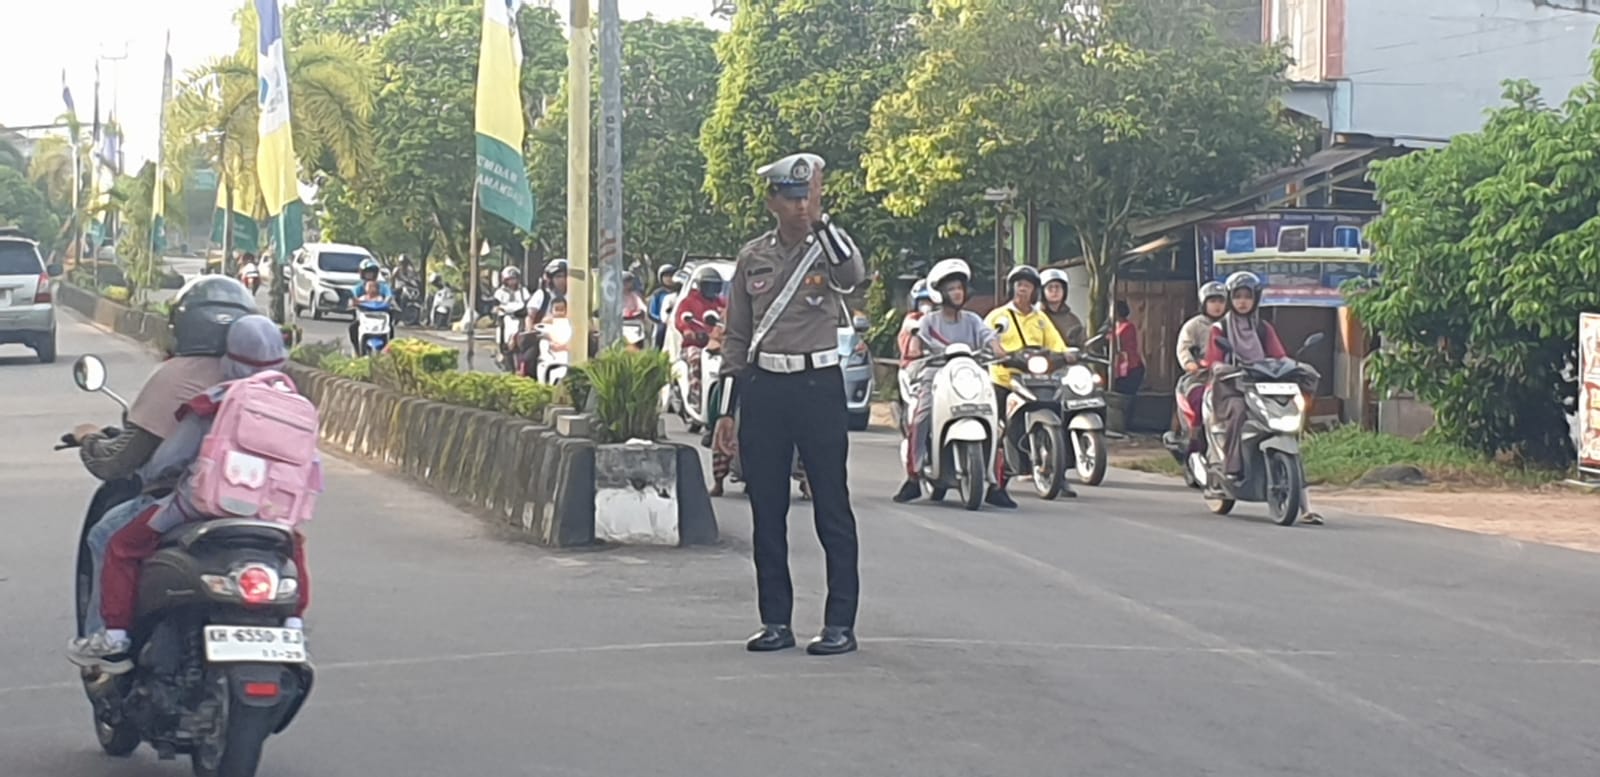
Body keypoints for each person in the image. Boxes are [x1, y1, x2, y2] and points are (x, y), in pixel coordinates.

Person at [68, 316, 318, 672]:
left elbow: (167, 461)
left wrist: (156, 473)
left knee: (120, 544)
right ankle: (294, 627)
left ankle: (114, 637)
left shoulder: (216, 399)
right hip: (270, 512)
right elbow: (312, 470)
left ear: (230, 357)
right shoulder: (296, 407)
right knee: (292, 547)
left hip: (201, 505)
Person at [712, 151, 866, 656]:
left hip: (817, 385)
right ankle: (775, 620)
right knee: (768, 508)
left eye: (808, 196)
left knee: (831, 507)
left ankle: (840, 623)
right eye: (793, 197)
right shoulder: (752, 256)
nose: (801, 206)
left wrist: (822, 222)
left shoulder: (828, 247)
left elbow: (853, 277)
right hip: (765, 386)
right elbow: (737, 337)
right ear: (773, 200)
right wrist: (726, 412)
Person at [68, 277, 257, 662]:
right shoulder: (263, 380)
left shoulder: (176, 375)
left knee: (107, 535)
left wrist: (88, 440)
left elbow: (120, 461)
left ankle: (108, 640)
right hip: (256, 505)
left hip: (188, 499)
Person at [1204, 272, 1325, 525]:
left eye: (1248, 297)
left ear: (1256, 299)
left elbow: (1278, 355)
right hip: (1230, 387)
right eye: (1237, 297)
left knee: (1289, 428)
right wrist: (1222, 368)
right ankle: (1232, 465)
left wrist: (1294, 366)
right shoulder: (1220, 328)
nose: (1243, 302)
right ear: (1230, 299)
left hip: (1263, 384)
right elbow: (1213, 360)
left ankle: (1306, 507)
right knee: (1238, 410)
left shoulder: (1262, 327)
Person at [893, 258, 999, 503]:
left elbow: (988, 335)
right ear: (941, 293)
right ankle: (913, 475)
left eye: (960, 288)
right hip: (936, 374)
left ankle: (996, 483)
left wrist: (997, 346)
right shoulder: (929, 320)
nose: (957, 293)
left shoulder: (972, 319)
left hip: (968, 374)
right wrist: (915, 337)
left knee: (996, 418)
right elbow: (917, 345)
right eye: (951, 288)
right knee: (921, 417)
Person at [983, 265, 1073, 506]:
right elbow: (986, 340)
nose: (1023, 289)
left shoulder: (1041, 319)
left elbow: (1056, 342)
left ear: (1035, 290)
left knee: (1060, 412)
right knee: (996, 428)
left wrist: (1067, 354)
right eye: (1019, 284)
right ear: (1012, 288)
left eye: (1028, 285)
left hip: (1035, 378)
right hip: (1004, 380)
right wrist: (999, 354)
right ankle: (995, 477)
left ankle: (1059, 471)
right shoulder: (998, 316)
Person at [1174, 281, 1228, 449]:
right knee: (1198, 398)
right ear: (1204, 303)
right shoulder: (1195, 325)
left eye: (1221, 301)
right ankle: (1194, 434)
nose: (1217, 306)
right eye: (1212, 301)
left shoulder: (1232, 324)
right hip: (1201, 376)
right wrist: (1190, 364)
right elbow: (1183, 348)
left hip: (1230, 375)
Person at [676, 266, 728, 416]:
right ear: (700, 285)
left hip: (717, 345)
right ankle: (695, 398)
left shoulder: (722, 303)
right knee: (695, 358)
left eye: (715, 285)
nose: (712, 289)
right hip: (695, 345)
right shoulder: (689, 302)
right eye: (708, 285)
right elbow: (681, 319)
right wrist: (688, 331)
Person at [704, 321, 735, 496]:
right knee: (718, 398)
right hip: (735, 370)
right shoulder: (730, 315)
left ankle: (805, 481)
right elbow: (715, 340)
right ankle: (718, 482)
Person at [347, 258, 393, 351]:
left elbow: (389, 296)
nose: (369, 275)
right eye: (367, 272)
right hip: (364, 317)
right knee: (353, 328)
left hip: (381, 317)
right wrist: (355, 303)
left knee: (390, 329)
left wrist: (387, 302)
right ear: (362, 273)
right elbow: (354, 299)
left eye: (371, 272)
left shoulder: (383, 286)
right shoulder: (358, 288)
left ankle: (388, 351)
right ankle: (357, 350)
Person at [1113, 299, 1145, 418]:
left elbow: (1119, 344)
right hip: (1121, 368)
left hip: (1132, 367)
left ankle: (1127, 422)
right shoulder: (1116, 326)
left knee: (1127, 397)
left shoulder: (1127, 327)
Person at [1039, 268, 1086, 346]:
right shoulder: (1035, 317)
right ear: (1042, 291)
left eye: (1057, 287)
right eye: (1050, 287)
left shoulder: (1072, 320)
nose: (1054, 290)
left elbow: (1082, 345)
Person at [896, 280, 935, 369]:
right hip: (912, 364)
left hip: (933, 362)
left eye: (929, 301)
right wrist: (917, 327)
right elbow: (911, 325)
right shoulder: (912, 317)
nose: (927, 305)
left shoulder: (936, 319)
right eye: (923, 301)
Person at [648, 263, 681, 350]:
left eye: (671, 276)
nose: (669, 279)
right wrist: (661, 321)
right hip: (661, 322)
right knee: (660, 332)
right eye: (666, 276)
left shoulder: (681, 292)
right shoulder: (658, 294)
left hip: (677, 322)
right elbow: (651, 312)